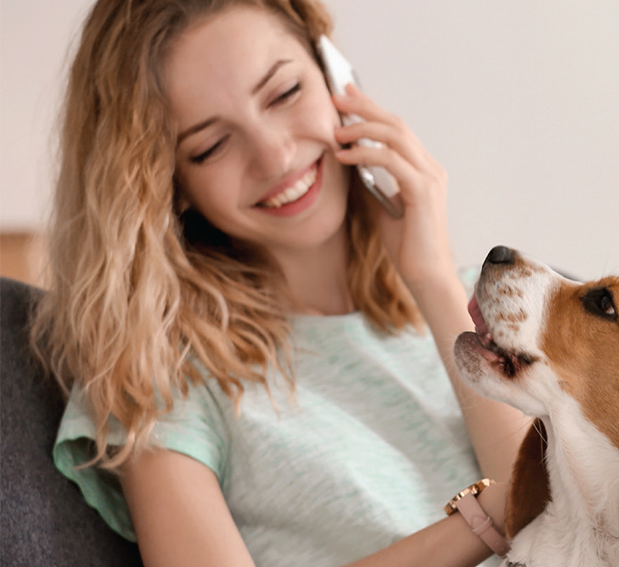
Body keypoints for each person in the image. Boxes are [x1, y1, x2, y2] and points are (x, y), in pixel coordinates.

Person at [29, 0, 529, 565]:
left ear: (335, 73)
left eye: (285, 93)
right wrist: (484, 520)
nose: (275, 156)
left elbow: (571, 515)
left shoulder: (486, 303)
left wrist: (434, 281)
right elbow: (533, 500)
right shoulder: (160, 373)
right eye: (210, 145)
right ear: (167, 183)